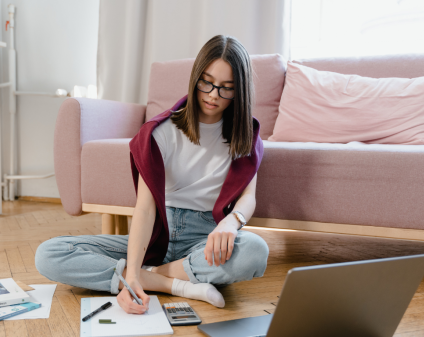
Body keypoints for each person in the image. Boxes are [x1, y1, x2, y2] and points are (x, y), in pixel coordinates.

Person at [35, 35, 268, 315]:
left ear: (240, 91)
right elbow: (145, 210)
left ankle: (147, 277)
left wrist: (232, 223)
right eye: (206, 82)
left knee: (255, 250)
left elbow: (248, 197)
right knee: (49, 254)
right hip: (156, 234)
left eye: (227, 88)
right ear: (195, 77)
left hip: (204, 241)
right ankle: (177, 284)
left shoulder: (246, 134)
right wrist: (133, 267)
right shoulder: (162, 131)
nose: (213, 95)